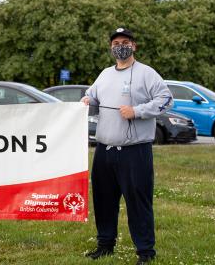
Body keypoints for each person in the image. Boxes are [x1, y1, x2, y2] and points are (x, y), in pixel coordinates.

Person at [82, 28, 173, 265]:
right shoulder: (104, 75)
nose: (120, 46)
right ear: (111, 47)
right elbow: (91, 96)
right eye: (115, 42)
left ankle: (145, 252)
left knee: (138, 203)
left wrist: (138, 111)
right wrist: (86, 100)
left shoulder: (146, 73)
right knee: (103, 201)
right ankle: (105, 245)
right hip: (104, 150)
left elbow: (166, 100)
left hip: (135, 152)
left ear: (134, 46)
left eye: (125, 42)